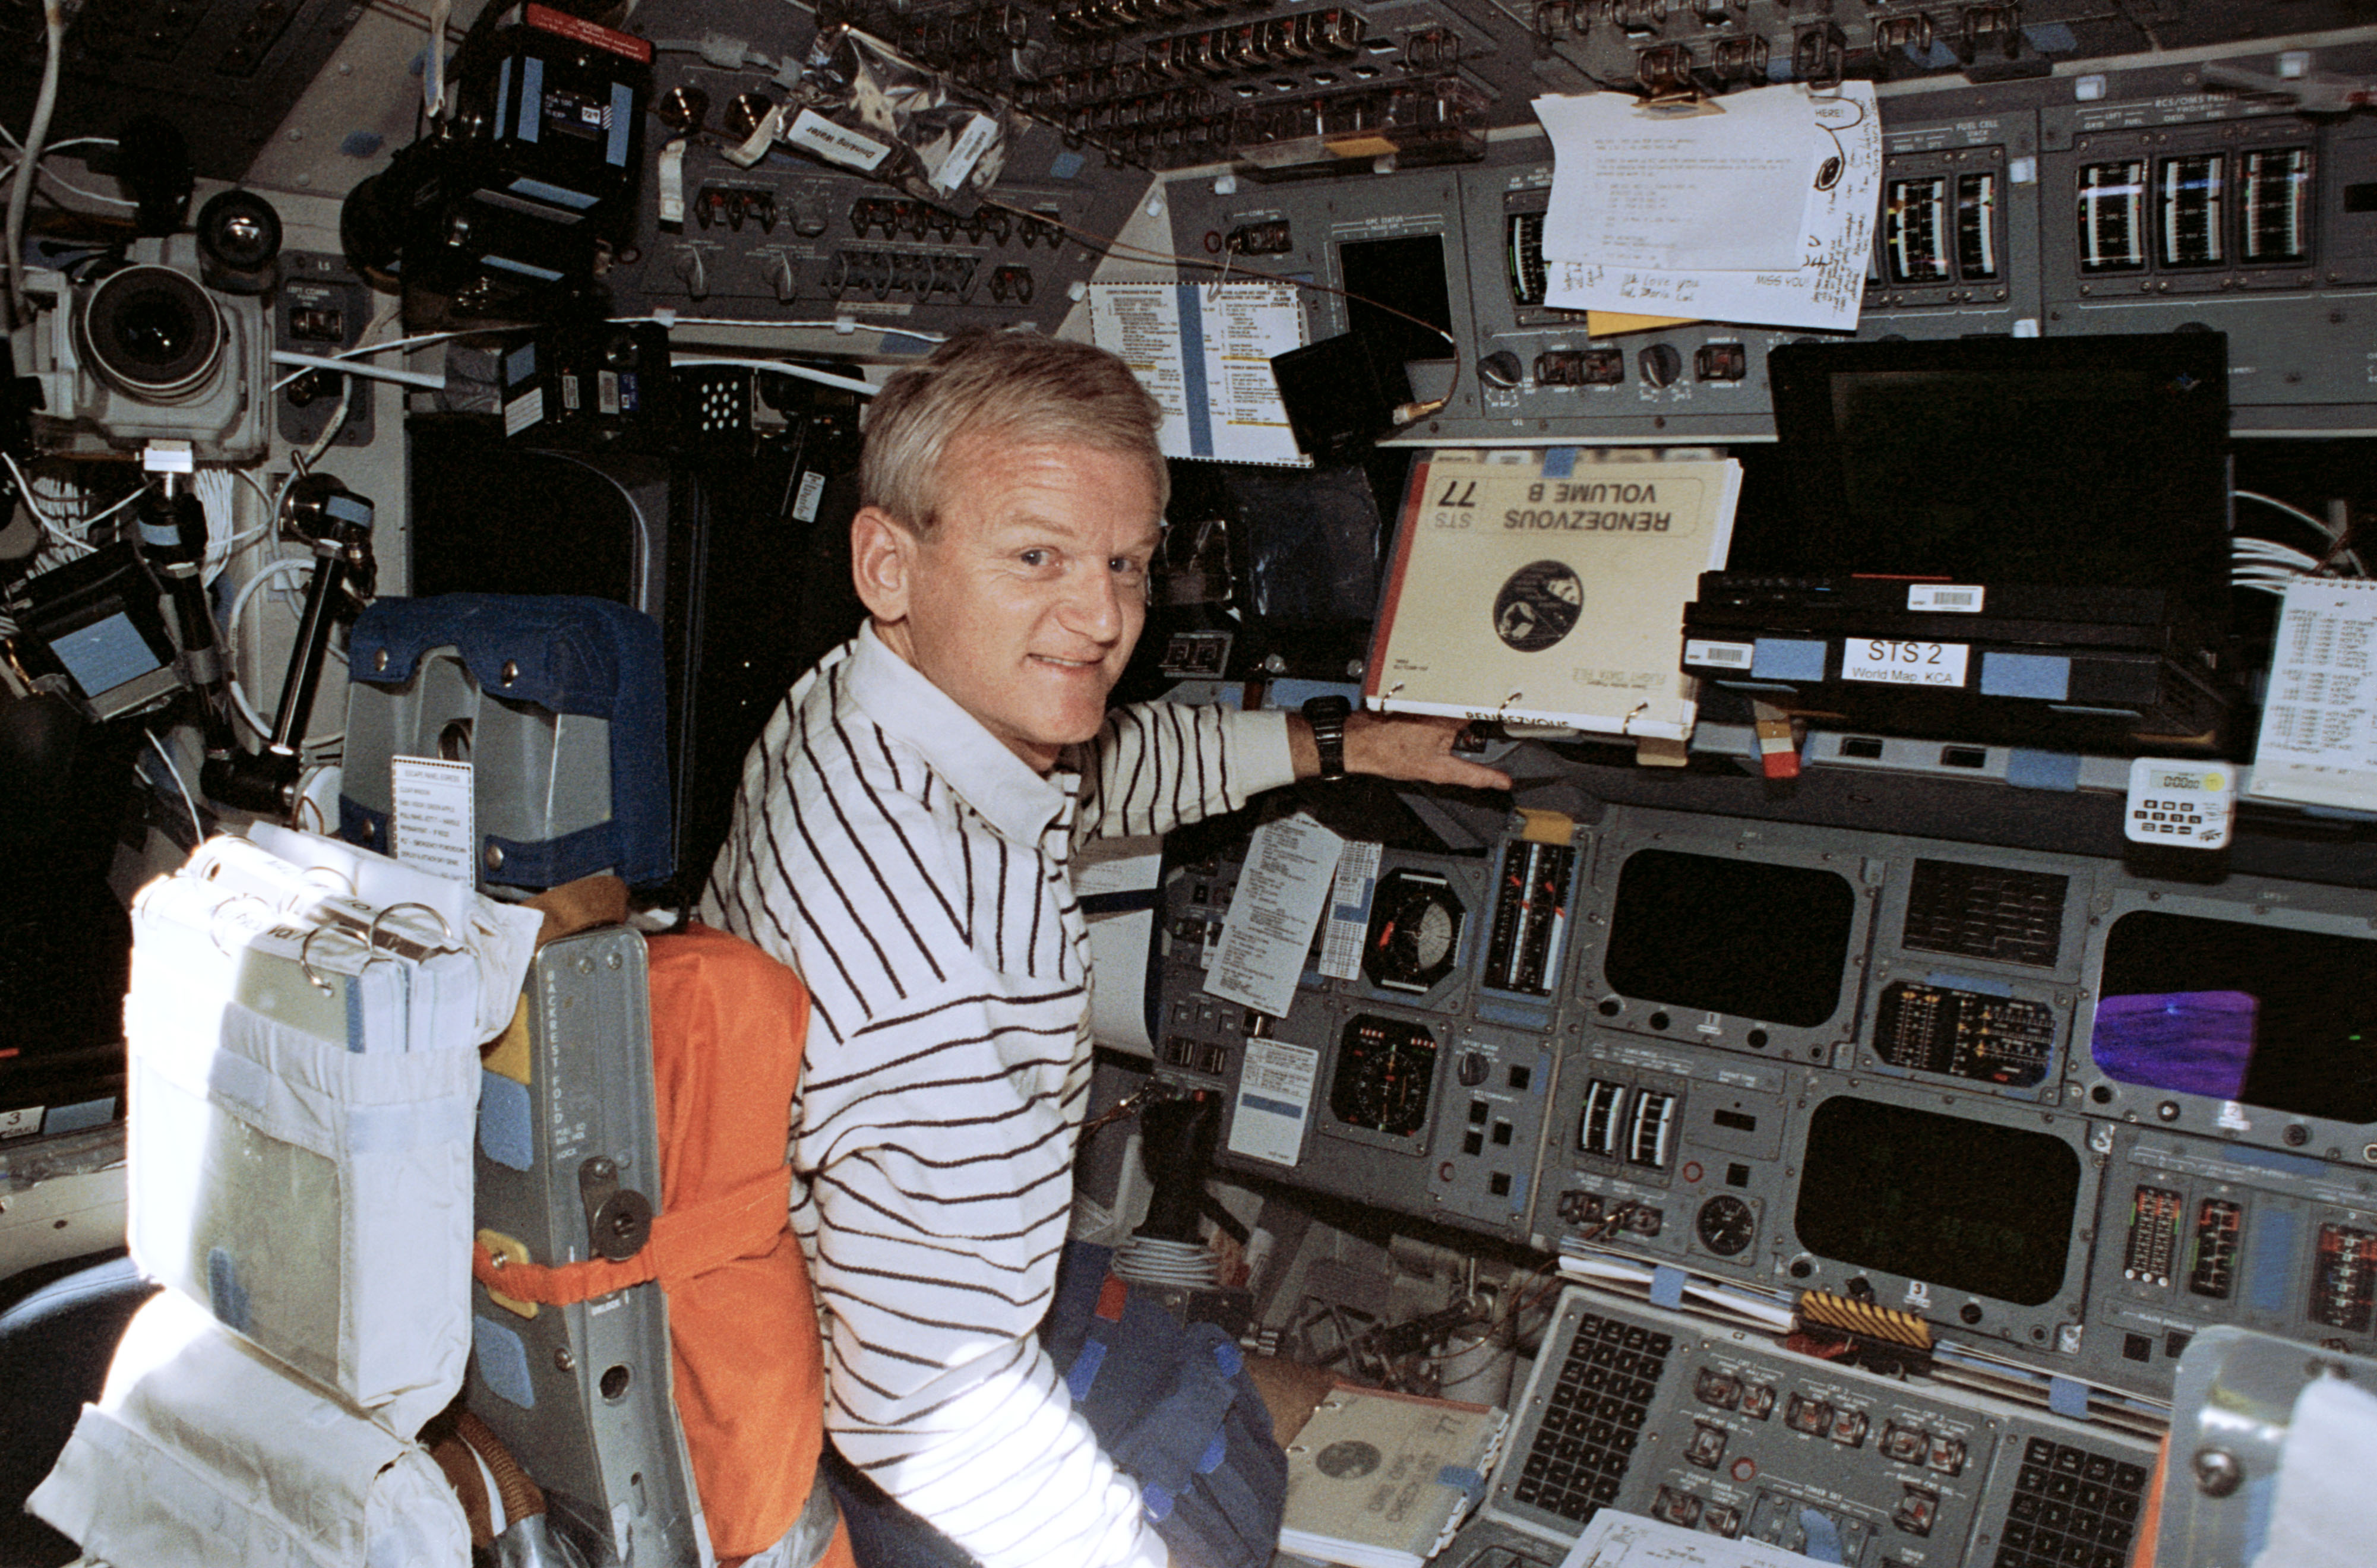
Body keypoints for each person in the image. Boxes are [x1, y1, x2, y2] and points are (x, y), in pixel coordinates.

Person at [697, 331, 1509, 1568]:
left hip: (880, 1276)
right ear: (887, 564)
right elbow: (930, 1411)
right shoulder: (920, 969)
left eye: (1127, 562)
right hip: (871, 1392)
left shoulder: (862, 703)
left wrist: (1345, 747)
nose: (1102, 618)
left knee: (1243, 1377)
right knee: (1247, 1465)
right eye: (1037, 557)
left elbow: (1112, 767)